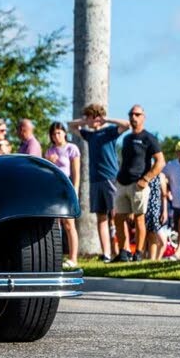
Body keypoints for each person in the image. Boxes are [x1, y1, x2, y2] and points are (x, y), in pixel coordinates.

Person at [68, 103, 129, 262]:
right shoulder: (89, 135)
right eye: (90, 116)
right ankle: (107, 254)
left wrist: (106, 119)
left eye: (95, 116)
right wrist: (84, 121)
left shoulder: (109, 132)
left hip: (111, 178)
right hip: (95, 180)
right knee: (101, 217)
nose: (92, 120)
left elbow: (126, 125)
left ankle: (124, 250)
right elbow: (71, 126)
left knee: (116, 216)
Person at [112, 105, 165, 262]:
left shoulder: (149, 138)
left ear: (143, 117)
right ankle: (123, 252)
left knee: (139, 219)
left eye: (137, 114)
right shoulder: (127, 138)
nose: (133, 117)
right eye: (131, 114)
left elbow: (160, 161)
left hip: (138, 185)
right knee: (119, 219)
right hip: (122, 183)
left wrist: (146, 179)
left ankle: (139, 254)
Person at [45, 122, 81, 268]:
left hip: (67, 187)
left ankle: (73, 257)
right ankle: (57, 257)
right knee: (55, 224)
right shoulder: (50, 151)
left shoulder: (72, 149)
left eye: (59, 133)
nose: (56, 136)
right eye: (54, 134)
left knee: (69, 223)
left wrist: (76, 190)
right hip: (53, 188)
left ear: (64, 133)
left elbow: (75, 172)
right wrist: (49, 161)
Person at [143, 172, 169, 260]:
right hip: (141, 207)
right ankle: (141, 258)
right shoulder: (141, 174)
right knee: (142, 235)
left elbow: (164, 195)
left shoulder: (160, 176)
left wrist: (164, 211)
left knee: (153, 235)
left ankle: (152, 259)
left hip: (154, 209)